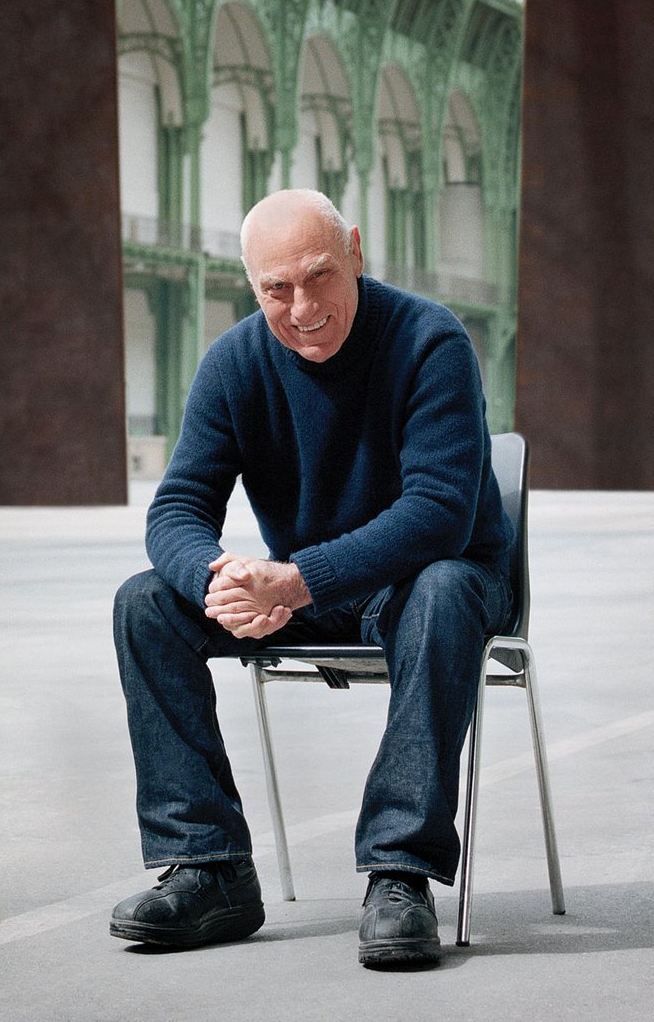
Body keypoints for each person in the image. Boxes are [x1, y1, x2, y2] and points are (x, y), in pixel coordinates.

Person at [110, 187, 512, 967]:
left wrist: (293, 582)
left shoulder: (432, 341)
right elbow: (176, 510)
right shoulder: (234, 363)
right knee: (146, 603)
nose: (301, 307)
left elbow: (440, 514)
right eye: (276, 288)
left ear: (356, 252)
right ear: (252, 286)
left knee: (443, 588)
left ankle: (401, 871)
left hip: (432, 580)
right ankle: (210, 866)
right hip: (316, 584)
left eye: (319, 275)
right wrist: (217, 578)